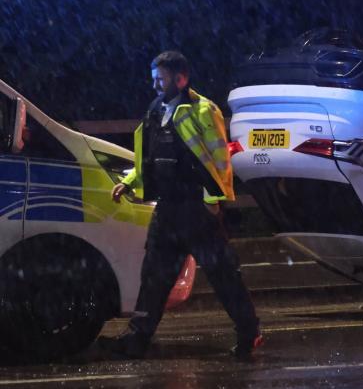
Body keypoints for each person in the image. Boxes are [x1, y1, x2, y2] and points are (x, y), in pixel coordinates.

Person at [98, 51, 262, 359]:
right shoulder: (155, 109)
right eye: (154, 79)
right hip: (168, 210)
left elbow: (218, 159)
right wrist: (131, 180)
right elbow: (149, 157)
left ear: (180, 78)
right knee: (154, 278)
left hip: (197, 211)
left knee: (222, 275)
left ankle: (249, 332)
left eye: (161, 79)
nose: (156, 85)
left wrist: (213, 202)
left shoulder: (202, 110)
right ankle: (137, 340)